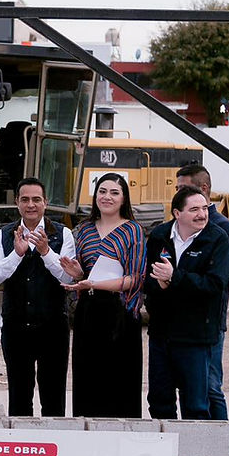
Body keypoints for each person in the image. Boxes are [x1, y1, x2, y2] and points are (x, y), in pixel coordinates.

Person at [0, 177, 75, 417]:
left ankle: (55, 449)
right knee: (19, 397)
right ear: (17, 203)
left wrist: (46, 252)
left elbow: (67, 278)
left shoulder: (63, 233)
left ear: (45, 203)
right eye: (25, 199)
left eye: (36, 199)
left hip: (53, 328)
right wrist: (16, 254)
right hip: (16, 328)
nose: (31, 204)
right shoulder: (4, 235)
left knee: (53, 397)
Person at [61, 173, 147, 419]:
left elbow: (136, 279)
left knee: (120, 384)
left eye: (114, 192)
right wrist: (78, 274)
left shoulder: (133, 230)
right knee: (88, 380)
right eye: (102, 191)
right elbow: (82, 274)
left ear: (124, 199)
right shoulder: (84, 230)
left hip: (120, 315)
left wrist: (96, 283)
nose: (107, 197)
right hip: (89, 313)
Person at [144, 185, 229, 420]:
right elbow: (148, 281)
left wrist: (174, 278)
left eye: (204, 208)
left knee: (195, 404)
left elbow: (214, 285)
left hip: (196, 337)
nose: (202, 214)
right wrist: (160, 285)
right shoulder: (159, 236)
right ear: (177, 214)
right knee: (159, 401)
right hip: (162, 336)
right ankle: (165, 454)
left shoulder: (217, 239)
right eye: (194, 209)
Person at [176, 164, 229, 420]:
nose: (177, 193)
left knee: (210, 387)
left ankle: (222, 446)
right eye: (176, 188)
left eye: (183, 188)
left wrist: (178, 279)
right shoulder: (175, 225)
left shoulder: (222, 229)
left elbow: (216, 279)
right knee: (189, 388)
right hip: (181, 321)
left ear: (203, 189)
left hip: (209, 321)